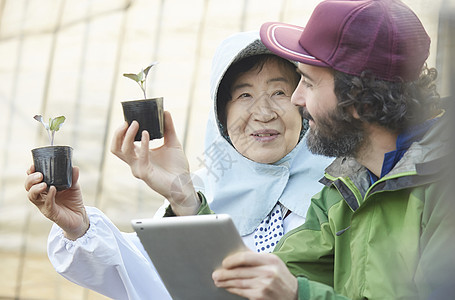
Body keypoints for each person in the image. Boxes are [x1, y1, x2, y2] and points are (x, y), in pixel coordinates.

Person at [24, 31, 332, 299]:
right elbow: (149, 279)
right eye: (244, 94)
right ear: (221, 116)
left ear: (303, 101)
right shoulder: (198, 194)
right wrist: (80, 229)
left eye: (279, 92)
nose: (263, 112)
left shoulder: (339, 193)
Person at [206, 0, 455, 299]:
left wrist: (299, 295)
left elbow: (290, 287)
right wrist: (183, 197)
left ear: (360, 101)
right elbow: (272, 276)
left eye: (308, 84)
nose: (296, 100)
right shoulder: (344, 185)